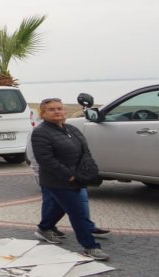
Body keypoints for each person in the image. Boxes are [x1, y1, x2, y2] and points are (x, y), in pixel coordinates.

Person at [31, 98, 110, 261]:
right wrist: (70, 175)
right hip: (58, 181)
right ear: (43, 113)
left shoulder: (72, 129)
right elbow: (46, 160)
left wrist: (89, 169)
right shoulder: (41, 132)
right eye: (51, 109)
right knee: (77, 212)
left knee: (60, 207)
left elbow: (85, 151)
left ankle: (44, 228)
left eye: (59, 108)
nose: (57, 111)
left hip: (78, 177)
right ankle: (90, 246)